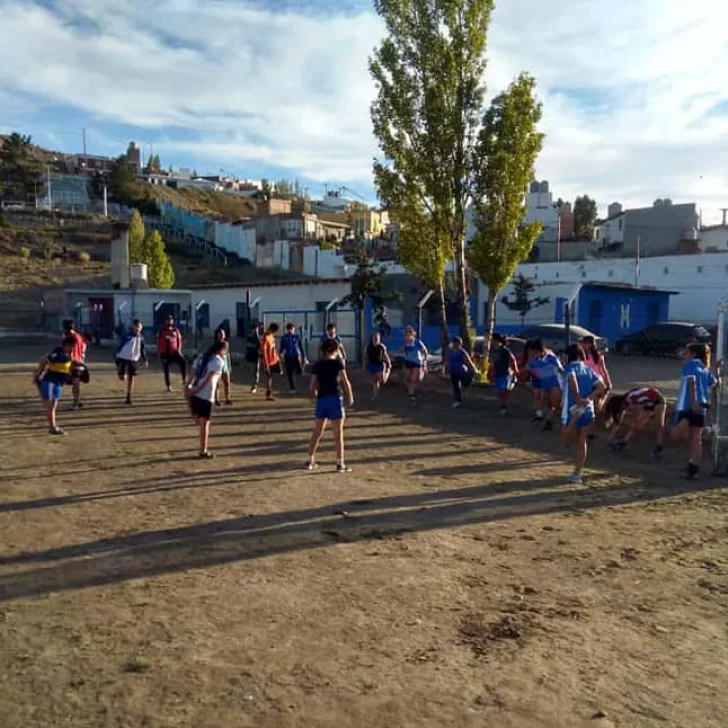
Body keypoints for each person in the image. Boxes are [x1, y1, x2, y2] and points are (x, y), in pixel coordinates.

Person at [307, 337, 355, 472]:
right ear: (335, 350)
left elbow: (312, 386)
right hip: (335, 398)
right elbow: (346, 382)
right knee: (338, 433)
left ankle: (311, 459)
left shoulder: (317, 365)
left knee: (317, 431)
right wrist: (350, 397)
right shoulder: (337, 364)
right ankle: (340, 463)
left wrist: (315, 394)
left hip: (322, 399)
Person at [561, 343, 606, 484]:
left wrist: (578, 397)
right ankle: (577, 474)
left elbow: (572, 379)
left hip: (572, 408)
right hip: (587, 409)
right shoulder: (587, 368)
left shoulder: (570, 368)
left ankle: (573, 422)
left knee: (566, 439)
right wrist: (589, 398)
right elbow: (601, 386)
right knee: (582, 441)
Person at [672, 343, 718, 479]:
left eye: (686, 352)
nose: (683, 355)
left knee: (675, 435)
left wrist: (692, 402)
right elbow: (715, 383)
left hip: (687, 406)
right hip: (700, 408)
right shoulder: (705, 369)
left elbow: (691, 382)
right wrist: (718, 371)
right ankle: (693, 468)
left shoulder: (691, 364)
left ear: (693, 354)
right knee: (696, 440)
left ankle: (692, 467)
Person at [185, 339, 228, 458]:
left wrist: (188, 385)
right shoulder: (219, 361)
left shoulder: (201, 357)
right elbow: (210, 378)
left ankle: (191, 408)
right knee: (204, 424)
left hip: (195, 390)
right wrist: (197, 389)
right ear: (222, 350)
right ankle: (203, 450)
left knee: (199, 420)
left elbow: (193, 371)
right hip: (206, 394)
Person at [605, 387, 667, 457]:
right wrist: (610, 437)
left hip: (657, 400)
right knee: (636, 423)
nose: (623, 410)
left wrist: (643, 418)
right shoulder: (627, 399)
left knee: (659, 424)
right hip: (647, 402)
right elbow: (619, 419)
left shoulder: (631, 398)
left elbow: (633, 413)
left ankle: (659, 446)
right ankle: (624, 442)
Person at [33, 336, 74, 435]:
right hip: (52, 382)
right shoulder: (59, 353)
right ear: (66, 345)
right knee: (51, 406)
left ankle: (39, 385)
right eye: (72, 346)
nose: (73, 348)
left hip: (58, 383)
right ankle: (53, 428)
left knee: (50, 405)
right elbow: (44, 360)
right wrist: (38, 374)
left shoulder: (67, 355)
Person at [526, 338, 564, 430]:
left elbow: (561, 369)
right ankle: (549, 420)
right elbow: (528, 368)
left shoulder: (552, 358)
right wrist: (537, 373)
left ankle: (549, 421)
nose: (534, 354)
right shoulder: (534, 361)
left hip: (555, 383)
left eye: (536, 352)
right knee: (547, 403)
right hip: (544, 384)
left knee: (554, 404)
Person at [115, 319, 147, 405]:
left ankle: (129, 396)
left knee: (131, 376)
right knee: (122, 377)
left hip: (133, 359)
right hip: (123, 357)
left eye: (139, 327)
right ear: (133, 327)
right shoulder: (127, 335)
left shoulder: (141, 337)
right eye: (136, 326)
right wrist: (116, 356)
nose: (137, 328)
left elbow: (142, 349)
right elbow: (120, 345)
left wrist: (145, 360)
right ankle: (120, 372)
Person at [63, 319, 89, 410]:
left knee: (75, 383)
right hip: (81, 362)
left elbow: (69, 352)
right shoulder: (78, 336)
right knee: (76, 383)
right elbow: (83, 348)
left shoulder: (69, 337)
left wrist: (69, 366)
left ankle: (76, 403)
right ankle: (77, 400)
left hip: (74, 363)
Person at [490, 333, 518, 416]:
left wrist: (515, 369)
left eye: (493, 340)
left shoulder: (505, 350)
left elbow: (513, 359)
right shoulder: (493, 350)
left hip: (505, 373)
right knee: (499, 392)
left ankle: (504, 407)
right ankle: (502, 406)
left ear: (498, 341)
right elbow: (493, 361)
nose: (492, 341)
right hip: (497, 373)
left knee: (503, 391)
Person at [157, 314, 187, 393]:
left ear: (173, 321)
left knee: (183, 362)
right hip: (165, 353)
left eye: (170, 320)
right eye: (168, 320)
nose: (169, 321)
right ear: (165, 321)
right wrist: (159, 352)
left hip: (174, 352)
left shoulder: (175, 330)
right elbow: (159, 342)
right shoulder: (162, 331)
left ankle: (184, 380)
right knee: (166, 369)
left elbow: (179, 341)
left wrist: (179, 350)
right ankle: (168, 385)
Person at [582, 335, 612, 411]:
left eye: (585, 343)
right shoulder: (582, 356)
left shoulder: (598, 356)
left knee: (597, 399)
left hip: (597, 380)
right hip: (586, 380)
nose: (583, 345)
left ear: (590, 344)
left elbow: (603, 370)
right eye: (583, 343)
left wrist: (608, 382)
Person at [448, 337, 478, 408]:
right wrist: (447, 369)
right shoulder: (450, 352)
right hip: (453, 371)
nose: (455, 344)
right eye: (454, 343)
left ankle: (470, 380)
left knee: (466, 383)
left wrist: (474, 369)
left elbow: (468, 361)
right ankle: (458, 400)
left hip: (462, 371)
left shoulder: (462, 352)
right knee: (456, 386)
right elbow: (448, 361)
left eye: (457, 343)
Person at [402, 326, 428, 405]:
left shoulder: (417, 342)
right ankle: (411, 393)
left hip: (416, 362)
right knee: (406, 379)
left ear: (412, 334)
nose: (407, 336)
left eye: (408, 334)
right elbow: (404, 352)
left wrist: (424, 362)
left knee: (414, 379)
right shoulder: (406, 344)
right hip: (408, 362)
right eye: (406, 334)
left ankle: (412, 396)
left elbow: (425, 351)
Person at [280, 323, 307, 393]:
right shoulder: (284, 337)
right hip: (288, 356)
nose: (290, 331)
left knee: (299, 371)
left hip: (296, 355)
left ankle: (303, 368)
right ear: (287, 330)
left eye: (291, 329)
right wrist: (281, 354)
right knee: (289, 372)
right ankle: (292, 388)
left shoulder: (297, 337)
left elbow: (301, 347)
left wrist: (304, 356)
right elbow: (282, 347)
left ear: (294, 329)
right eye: (289, 329)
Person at [365, 331, 392, 402]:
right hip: (372, 365)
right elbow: (366, 356)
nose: (376, 339)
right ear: (372, 338)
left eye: (377, 338)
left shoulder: (382, 346)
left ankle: (388, 371)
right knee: (375, 381)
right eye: (374, 337)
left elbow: (385, 355)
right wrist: (365, 365)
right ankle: (375, 396)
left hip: (380, 365)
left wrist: (389, 363)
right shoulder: (368, 346)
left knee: (382, 380)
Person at [213, 327, 233, 406]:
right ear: (217, 335)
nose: (221, 335)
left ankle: (227, 398)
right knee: (217, 384)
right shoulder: (215, 344)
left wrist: (229, 365)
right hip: (218, 366)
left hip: (225, 365)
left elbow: (228, 355)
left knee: (227, 383)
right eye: (219, 333)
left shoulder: (226, 344)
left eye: (222, 333)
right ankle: (216, 399)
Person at [262, 323, 282, 401]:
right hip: (268, 361)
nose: (273, 333)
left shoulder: (271, 336)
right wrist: (266, 363)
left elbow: (273, 348)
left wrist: (277, 358)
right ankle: (268, 394)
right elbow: (264, 351)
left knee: (278, 374)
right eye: (273, 331)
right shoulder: (265, 337)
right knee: (269, 377)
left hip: (275, 359)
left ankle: (270, 392)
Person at [244, 322, 262, 393]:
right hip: (250, 356)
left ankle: (254, 385)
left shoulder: (258, 337)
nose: (255, 330)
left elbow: (260, 346)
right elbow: (248, 346)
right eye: (254, 329)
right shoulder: (249, 336)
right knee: (251, 372)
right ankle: (254, 384)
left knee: (255, 372)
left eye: (256, 329)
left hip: (256, 357)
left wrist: (257, 335)